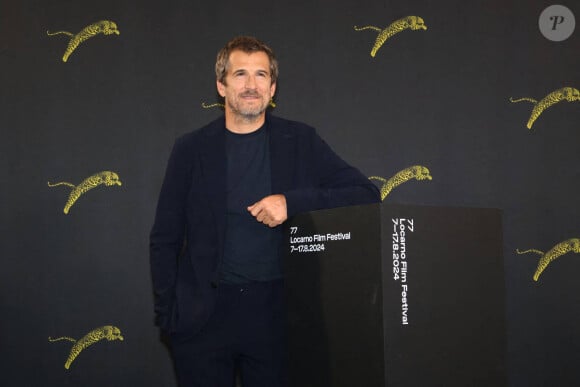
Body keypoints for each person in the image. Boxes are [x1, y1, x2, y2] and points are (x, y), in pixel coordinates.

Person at [149, 36, 380, 387]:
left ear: (272, 89)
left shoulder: (301, 140)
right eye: (240, 74)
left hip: (277, 318)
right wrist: (170, 314)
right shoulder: (191, 149)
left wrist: (292, 202)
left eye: (261, 75)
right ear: (221, 86)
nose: (251, 85)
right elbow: (164, 238)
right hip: (202, 320)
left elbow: (365, 193)